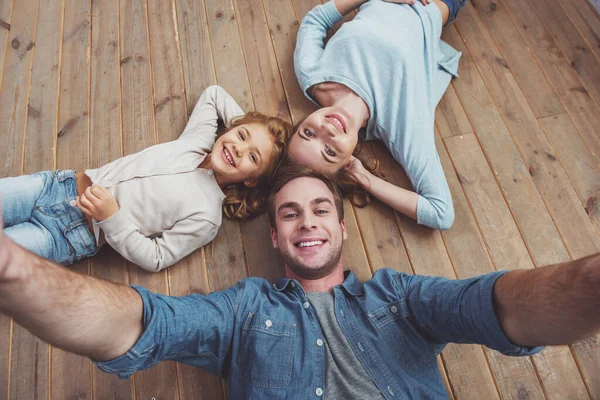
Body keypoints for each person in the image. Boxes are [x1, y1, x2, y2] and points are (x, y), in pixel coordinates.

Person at [0, 162, 598, 399]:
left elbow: (499, 306)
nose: (306, 221)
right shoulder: (242, 309)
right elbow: (139, 323)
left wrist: (590, 282)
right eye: (289, 213)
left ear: (340, 227)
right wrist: (15, 270)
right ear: (275, 238)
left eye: (318, 210)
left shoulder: (401, 298)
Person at [0, 85, 291, 271]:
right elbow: (214, 95)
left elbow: (157, 258)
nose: (239, 149)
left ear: (252, 180)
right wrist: (249, 128)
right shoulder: (197, 141)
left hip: (69, 235)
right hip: (56, 186)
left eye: (253, 157)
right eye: (241, 136)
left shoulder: (207, 218)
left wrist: (111, 217)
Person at [289, 0, 465, 230]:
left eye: (308, 133)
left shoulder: (313, 75)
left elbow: (314, 21)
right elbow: (441, 213)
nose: (327, 131)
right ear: (347, 162)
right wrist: (365, 179)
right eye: (330, 151)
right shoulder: (400, 126)